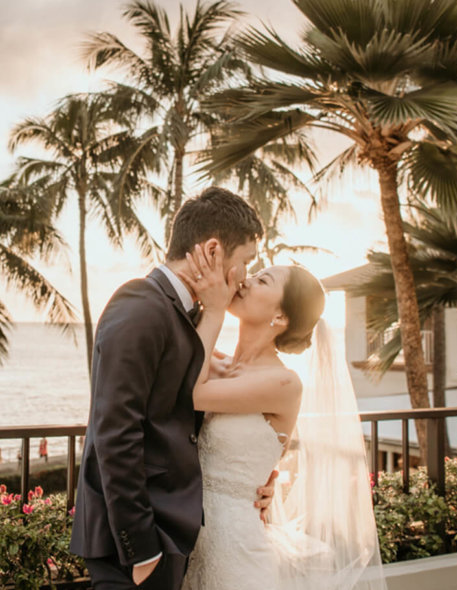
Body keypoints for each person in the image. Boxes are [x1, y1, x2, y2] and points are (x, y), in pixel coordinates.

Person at [69, 187, 277, 590]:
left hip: (173, 532)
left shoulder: (193, 315)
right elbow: (115, 432)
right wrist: (141, 548)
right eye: (246, 261)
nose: (246, 276)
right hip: (135, 543)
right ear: (214, 251)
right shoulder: (140, 306)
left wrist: (262, 471)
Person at [178, 249, 385, 589]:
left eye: (263, 280)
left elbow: (193, 394)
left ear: (280, 317)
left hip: (238, 554)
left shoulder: (284, 383)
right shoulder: (215, 363)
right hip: (191, 543)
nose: (246, 281)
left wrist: (215, 310)